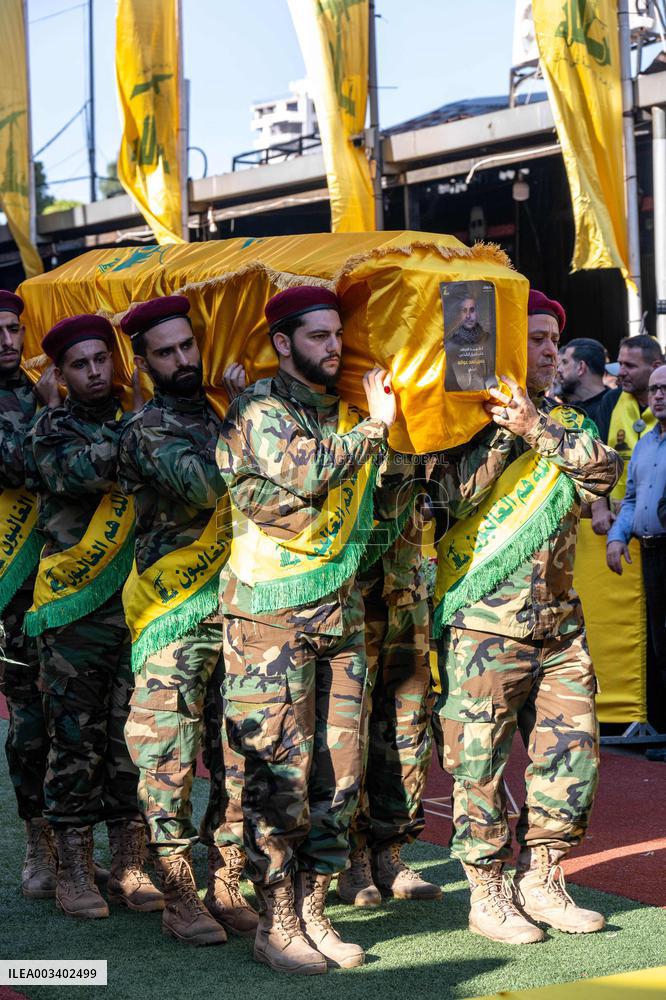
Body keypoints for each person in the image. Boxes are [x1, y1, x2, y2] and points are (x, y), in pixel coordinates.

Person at [429, 289, 621, 944]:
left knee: (571, 754)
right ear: (509, 346)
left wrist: (536, 428)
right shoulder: (461, 423)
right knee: (478, 759)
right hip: (486, 625)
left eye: (554, 341)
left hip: (560, 623)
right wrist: (502, 431)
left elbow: (599, 475)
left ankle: (544, 879)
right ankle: (488, 893)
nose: (550, 352)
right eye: (536, 339)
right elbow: (441, 503)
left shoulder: (568, 422)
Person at [216, 285, 395, 975]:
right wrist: (374, 429)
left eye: (336, 335)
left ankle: (313, 907)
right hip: (270, 621)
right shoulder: (260, 407)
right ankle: (276, 921)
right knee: (278, 777)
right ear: (284, 343)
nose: (333, 346)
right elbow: (307, 470)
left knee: (339, 775)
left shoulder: (346, 409)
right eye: (317, 336)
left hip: (339, 616)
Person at [118, 294, 254, 947]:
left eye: (187, 347)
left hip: (237, 608)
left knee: (236, 755)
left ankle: (227, 884)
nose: (181, 361)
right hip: (174, 614)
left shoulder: (227, 411)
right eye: (165, 352)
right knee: (168, 759)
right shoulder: (146, 428)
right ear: (143, 362)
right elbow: (208, 487)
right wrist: (251, 416)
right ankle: (178, 896)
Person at [24, 315, 162, 920]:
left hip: (134, 607)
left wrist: (136, 422)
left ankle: (130, 863)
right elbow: (87, 469)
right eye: (80, 365)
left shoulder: (131, 419)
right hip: (74, 616)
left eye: (102, 359)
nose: (95, 372)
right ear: (61, 374)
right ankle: (73, 870)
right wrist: (139, 424)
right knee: (74, 743)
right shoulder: (49, 431)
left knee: (128, 740)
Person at [338, 488, 441, 905]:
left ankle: (390, 853)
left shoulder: (422, 434)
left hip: (407, 589)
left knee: (407, 727)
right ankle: (352, 855)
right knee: (351, 728)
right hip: (353, 591)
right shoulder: (347, 423)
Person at [0, 290, 60, 899]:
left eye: (14, 328)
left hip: (66, 578)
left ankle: (75, 845)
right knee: (29, 721)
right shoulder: (45, 398)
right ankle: (38, 848)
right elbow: (18, 465)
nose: (7, 340)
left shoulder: (44, 388)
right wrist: (48, 412)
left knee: (78, 721)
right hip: (11, 591)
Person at [607, 364, 666, 736]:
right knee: (660, 643)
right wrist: (617, 536)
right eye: (655, 390)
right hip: (651, 553)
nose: (658, 395)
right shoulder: (644, 443)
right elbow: (629, 500)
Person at [589, 334, 663, 535]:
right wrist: (599, 508)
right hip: (617, 523)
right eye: (620, 364)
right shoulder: (611, 400)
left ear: (656, 366)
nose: (620, 372)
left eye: (630, 366)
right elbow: (596, 459)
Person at [445, 293, 491, 392]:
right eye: (464, 311)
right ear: (459, 314)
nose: (468, 316)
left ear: (477, 312)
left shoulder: (488, 339)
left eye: (472, 310)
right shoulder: (451, 344)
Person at [556, 338, 608, 420]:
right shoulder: (572, 410)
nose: (559, 369)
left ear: (581, 367)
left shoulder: (611, 408)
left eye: (565, 362)